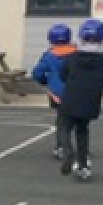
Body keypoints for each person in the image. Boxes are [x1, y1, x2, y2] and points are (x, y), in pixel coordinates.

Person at [58, 19, 103, 182]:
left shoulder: (73, 57)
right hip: (91, 101)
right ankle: (83, 164)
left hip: (71, 97)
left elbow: (63, 75)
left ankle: (68, 150)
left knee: (63, 126)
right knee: (82, 130)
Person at [31, 23, 77, 160]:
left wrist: (45, 81)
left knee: (62, 120)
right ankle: (72, 146)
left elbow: (37, 73)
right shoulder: (76, 54)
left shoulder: (49, 55)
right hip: (75, 91)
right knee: (74, 120)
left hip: (56, 93)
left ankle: (61, 146)